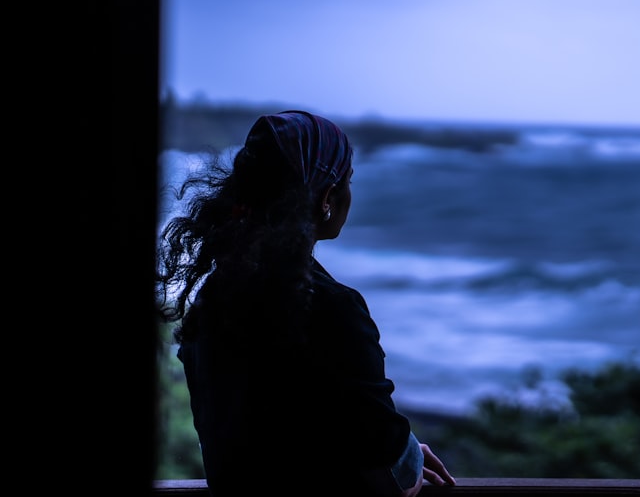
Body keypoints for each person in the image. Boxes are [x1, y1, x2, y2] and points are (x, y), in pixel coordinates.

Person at [156, 109, 456, 496]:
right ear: (327, 198)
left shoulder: (211, 304)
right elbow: (391, 474)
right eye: (348, 181)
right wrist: (407, 455)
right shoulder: (333, 309)